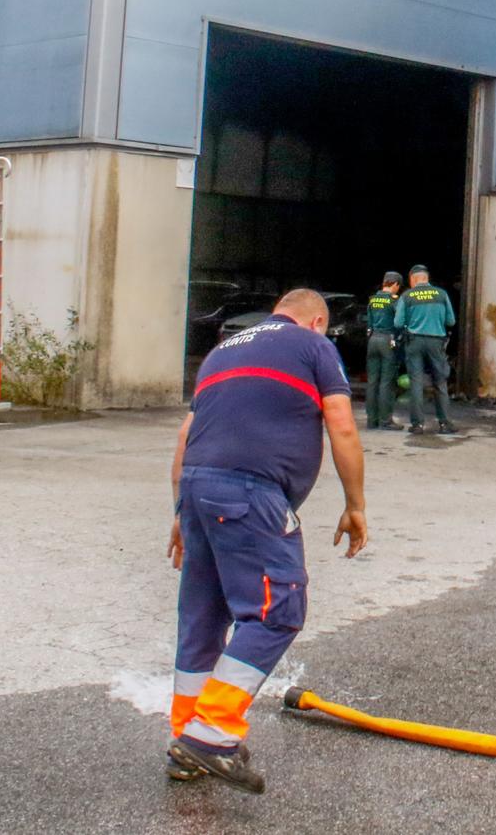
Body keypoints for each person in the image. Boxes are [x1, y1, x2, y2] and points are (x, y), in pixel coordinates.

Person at [164, 289, 367, 792]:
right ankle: (210, 734)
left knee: (204, 619)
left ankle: (184, 740)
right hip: (250, 493)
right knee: (279, 609)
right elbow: (341, 425)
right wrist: (356, 503)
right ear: (316, 320)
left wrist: (181, 515)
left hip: (197, 488)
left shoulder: (221, 353)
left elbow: (185, 438)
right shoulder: (313, 346)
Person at [394, 263, 457, 435]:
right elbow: (451, 321)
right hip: (436, 342)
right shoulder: (441, 294)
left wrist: (411, 323)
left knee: (416, 382)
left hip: (414, 342)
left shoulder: (407, 296)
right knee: (440, 381)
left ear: (414, 279)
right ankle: (444, 424)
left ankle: (418, 425)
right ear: (426, 278)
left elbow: (398, 323)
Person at [364, 272, 403, 430]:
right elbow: (399, 322)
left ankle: (371, 420)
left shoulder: (373, 300)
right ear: (395, 284)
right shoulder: (394, 301)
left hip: (372, 340)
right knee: (386, 382)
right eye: (398, 287)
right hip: (388, 340)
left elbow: (369, 322)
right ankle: (385, 421)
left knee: (372, 381)